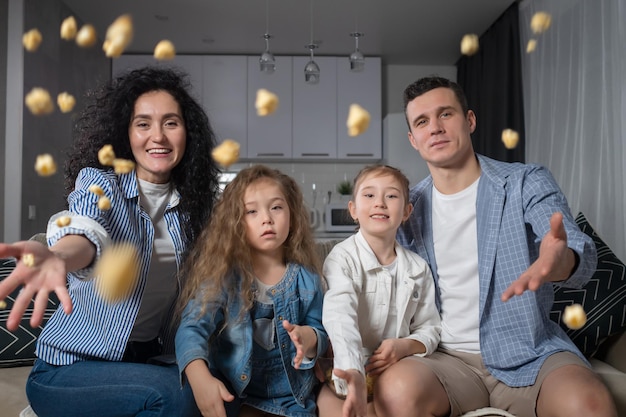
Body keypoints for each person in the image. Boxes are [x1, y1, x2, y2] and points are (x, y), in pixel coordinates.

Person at [0, 66, 221, 417]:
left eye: (171, 123)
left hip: (144, 361)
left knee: (224, 394)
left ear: (188, 133)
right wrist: (59, 256)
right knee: (177, 397)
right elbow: (87, 232)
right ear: (126, 133)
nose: (158, 137)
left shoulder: (195, 213)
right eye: (143, 124)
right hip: (70, 368)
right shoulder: (101, 185)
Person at [396, 75, 617, 417]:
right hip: (444, 360)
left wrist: (556, 260)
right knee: (397, 392)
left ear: (469, 120)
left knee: (589, 404)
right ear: (413, 139)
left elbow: (576, 254)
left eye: (446, 114)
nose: (435, 128)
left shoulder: (526, 181)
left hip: (530, 353)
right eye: (422, 122)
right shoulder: (407, 209)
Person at [175, 164, 328, 417]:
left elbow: (319, 332)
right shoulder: (223, 277)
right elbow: (192, 327)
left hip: (293, 398)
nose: (267, 218)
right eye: (252, 211)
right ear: (235, 222)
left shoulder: (308, 278)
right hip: (235, 394)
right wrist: (199, 378)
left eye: (276, 207)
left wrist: (309, 339)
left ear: (292, 215)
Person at [317, 164, 441, 417]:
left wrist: (405, 346)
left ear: (406, 212)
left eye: (392, 196)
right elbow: (339, 316)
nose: (380, 203)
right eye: (369, 195)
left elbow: (430, 327)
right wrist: (353, 372)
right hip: (342, 374)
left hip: (396, 373)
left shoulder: (418, 268)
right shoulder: (341, 259)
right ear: (353, 210)